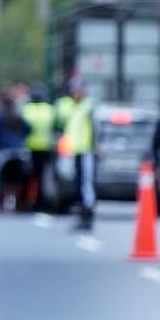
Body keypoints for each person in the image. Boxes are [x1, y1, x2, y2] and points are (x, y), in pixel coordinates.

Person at [0, 92, 31, 211]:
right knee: (20, 177)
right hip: (20, 151)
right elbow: (29, 128)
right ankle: (20, 204)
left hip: (3, 151)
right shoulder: (17, 116)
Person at [63, 81, 96, 230]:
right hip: (77, 151)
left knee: (86, 184)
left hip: (86, 151)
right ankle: (82, 215)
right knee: (79, 185)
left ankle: (87, 214)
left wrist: (95, 146)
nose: (74, 95)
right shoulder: (76, 108)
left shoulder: (88, 107)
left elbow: (95, 129)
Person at [22, 86, 55, 211]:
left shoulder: (27, 109)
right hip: (45, 147)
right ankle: (40, 201)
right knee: (42, 177)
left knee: (29, 177)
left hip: (29, 147)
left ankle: (27, 201)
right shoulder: (49, 110)